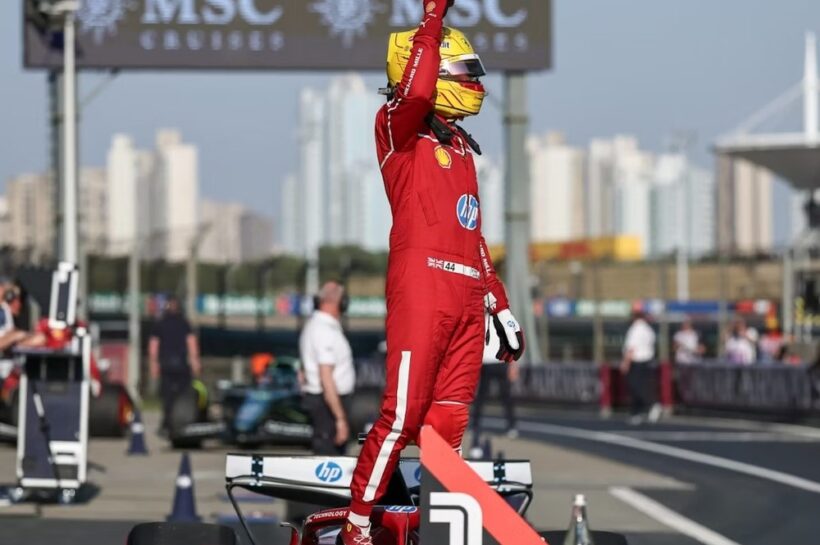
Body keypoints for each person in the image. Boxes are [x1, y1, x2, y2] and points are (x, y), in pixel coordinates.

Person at [338, 2, 526, 543]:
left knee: (445, 430)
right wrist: (433, 21)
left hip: (467, 297)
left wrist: (499, 302)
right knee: (401, 418)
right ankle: (357, 526)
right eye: (466, 72)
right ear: (431, 70)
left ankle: (437, 528)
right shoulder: (399, 129)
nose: (476, 83)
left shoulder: (464, 147)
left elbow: (474, 234)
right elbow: (417, 94)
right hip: (422, 289)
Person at [299, 281, 356, 455]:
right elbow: (326, 377)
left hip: (327, 402)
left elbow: (302, 373)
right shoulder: (323, 330)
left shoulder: (320, 326)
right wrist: (339, 419)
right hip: (328, 405)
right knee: (328, 461)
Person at [148, 296, 201, 435]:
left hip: (169, 364)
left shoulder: (161, 323)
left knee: (168, 396)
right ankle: (175, 422)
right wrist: (195, 362)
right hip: (179, 364)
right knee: (181, 395)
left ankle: (168, 423)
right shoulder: (184, 323)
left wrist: (154, 364)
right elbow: (191, 343)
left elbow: (153, 345)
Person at [470, 311, 519, 452]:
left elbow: (513, 340)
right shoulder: (479, 319)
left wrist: (513, 364)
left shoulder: (505, 319)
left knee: (506, 396)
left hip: (501, 362)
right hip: (485, 363)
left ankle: (511, 426)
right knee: (480, 397)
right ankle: (475, 425)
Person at [621, 310, 660, 424]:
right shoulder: (648, 330)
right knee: (643, 385)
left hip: (637, 361)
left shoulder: (635, 329)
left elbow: (631, 348)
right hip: (647, 361)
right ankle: (636, 412)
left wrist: (625, 363)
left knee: (636, 387)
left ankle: (651, 405)